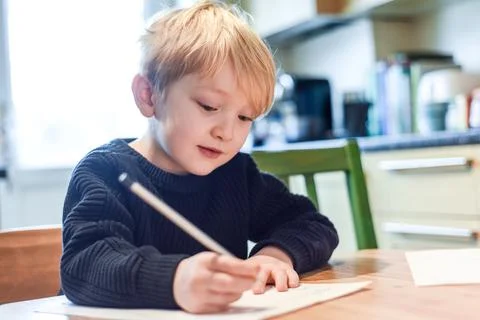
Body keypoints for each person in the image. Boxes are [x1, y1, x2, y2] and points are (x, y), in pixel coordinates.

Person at [60, 0, 339, 314]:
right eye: (208, 106)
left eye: (245, 118)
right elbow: (84, 265)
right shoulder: (105, 172)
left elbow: (313, 225)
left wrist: (274, 256)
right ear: (148, 95)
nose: (227, 132)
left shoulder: (235, 174)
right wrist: (174, 281)